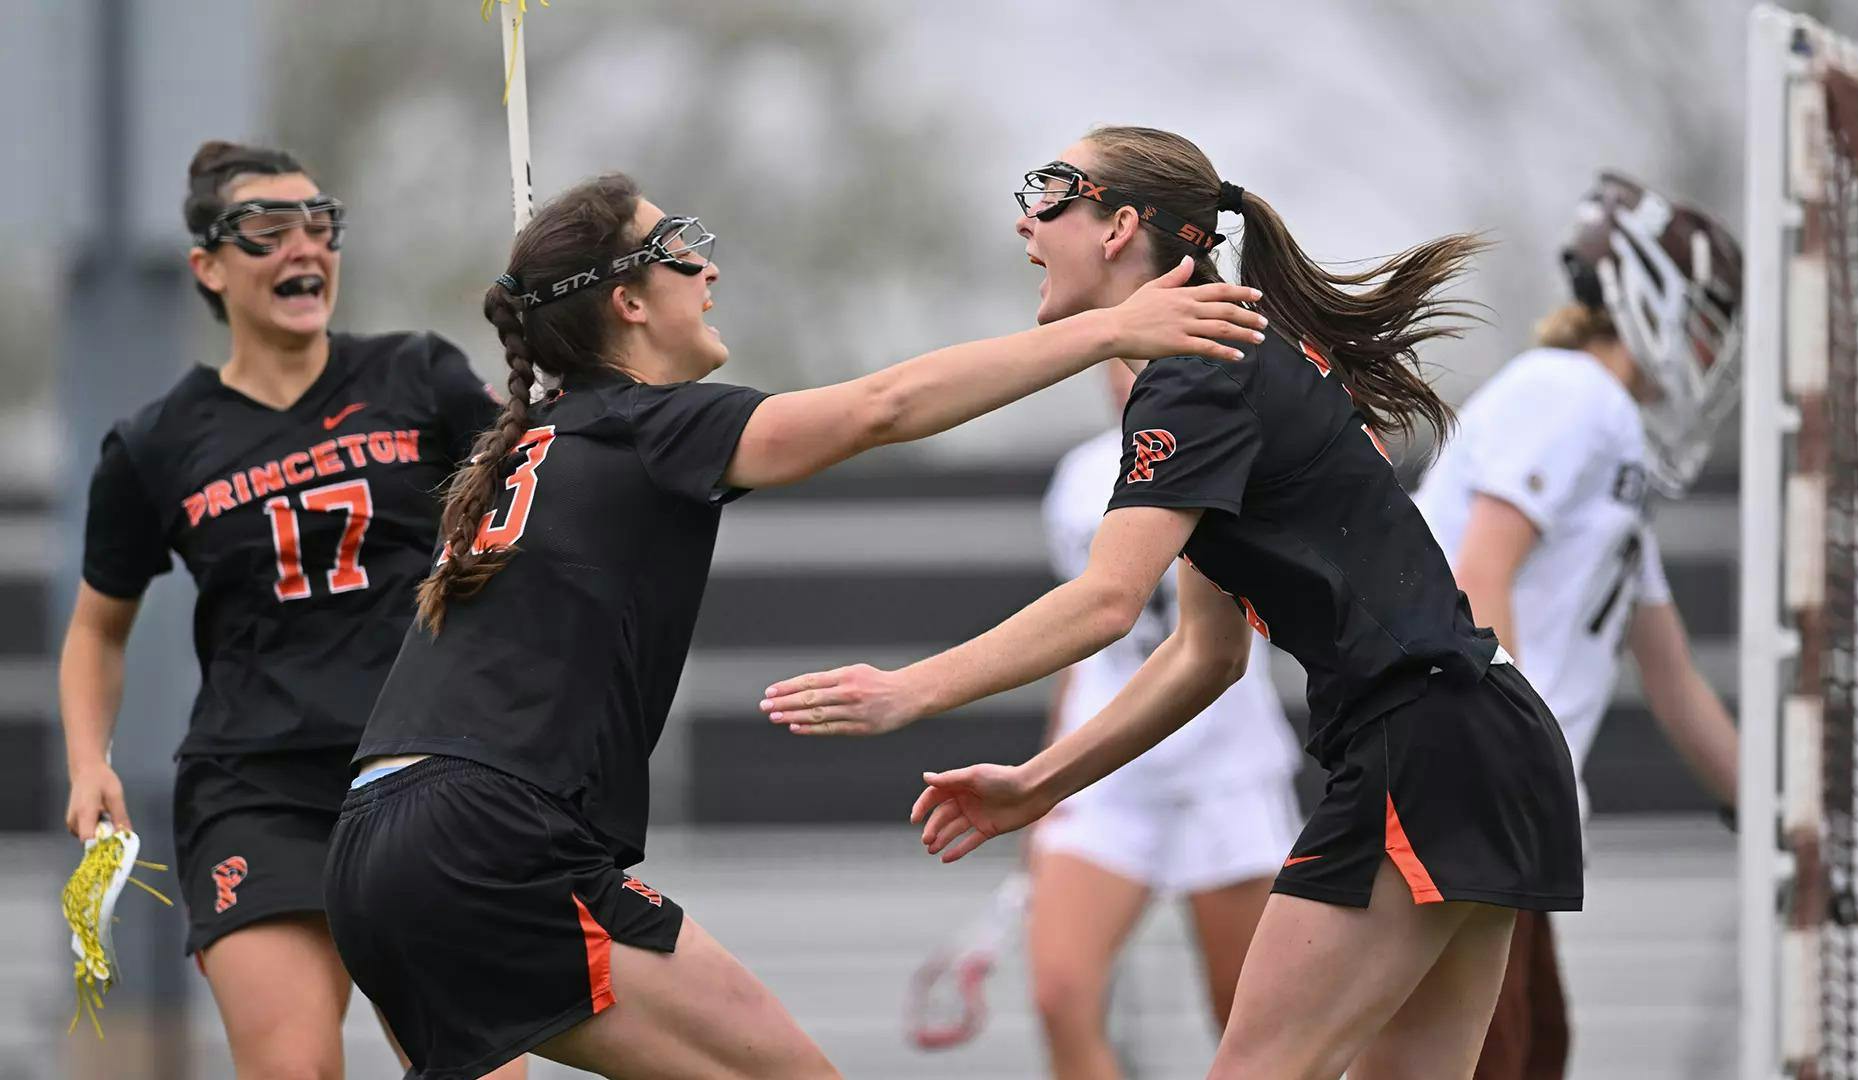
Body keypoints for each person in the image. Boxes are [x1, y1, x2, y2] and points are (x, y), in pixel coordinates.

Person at [320, 171, 1267, 1080]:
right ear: (629, 303)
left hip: (370, 844)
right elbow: (881, 411)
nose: (710, 269)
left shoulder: (533, 439)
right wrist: (1112, 330)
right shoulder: (647, 427)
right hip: (490, 841)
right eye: (680, 251)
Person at [761, 125, 1584, 1080]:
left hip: (1427, 744)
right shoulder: (1227, 351)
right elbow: (1206, 654)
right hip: (1488, 738)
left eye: (1048, 194)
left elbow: (1108, 602)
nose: (1025, 222)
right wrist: (1041, 784)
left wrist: (911, 691)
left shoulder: (1194, 375)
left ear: (1119, 226)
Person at [58, 140, 524, 1078]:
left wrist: (545, 378)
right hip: (255, 793)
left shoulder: (418, 377)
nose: (302, 248)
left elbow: (535, 502)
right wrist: (86, 764)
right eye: (268, 231)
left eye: (320, 226)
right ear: (209, 267)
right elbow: (96, 628)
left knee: (477, 1069)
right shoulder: (155, 445)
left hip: (418, 775)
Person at [1412, 172, 1742, 1080]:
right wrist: (1521, 761)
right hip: (1470, 782)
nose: (1715, 346)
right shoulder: (1569, 394)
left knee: (1535, 1050)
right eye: (1710, 315)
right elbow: (1480, 577)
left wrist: (1772, 812)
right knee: (1488, 1059)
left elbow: (1670, 675)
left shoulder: (1615, 443)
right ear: (1650, 292)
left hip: (1489, 791)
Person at [1028, 358, 1301, 1079]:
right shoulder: (1080, 478)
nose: (1128, 374)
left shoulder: (1240, 461)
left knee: (1247, 1022)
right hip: (1108, 775)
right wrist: (1047, 783)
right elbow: (1076, 645)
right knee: (1061, 993)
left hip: (1223, 767)